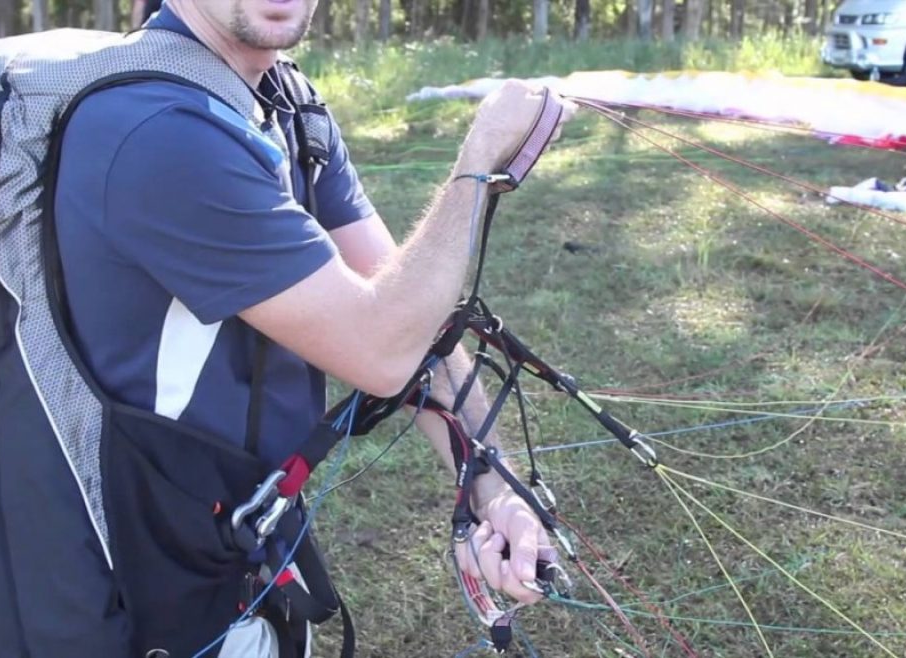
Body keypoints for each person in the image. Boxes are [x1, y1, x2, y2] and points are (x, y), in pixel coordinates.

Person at [53, 0, 577, 654]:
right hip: (143, 583)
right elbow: (381, 348)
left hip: (246, 540)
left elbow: (414, 318)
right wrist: (478, 162)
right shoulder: (160, 132)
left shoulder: (281, 101)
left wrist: (493, 490)